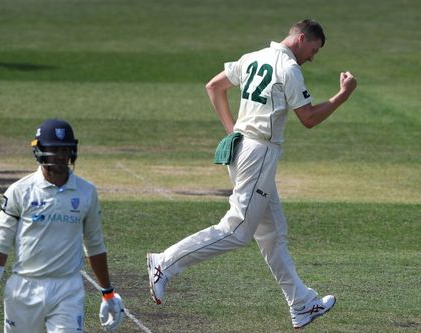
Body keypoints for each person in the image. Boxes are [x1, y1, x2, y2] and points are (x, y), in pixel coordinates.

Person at [147, 19, 357, 329]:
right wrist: (343, 95)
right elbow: (309, 119)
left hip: (246, 149)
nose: (312, 57)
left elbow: (213, 86)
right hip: (258, 154)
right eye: (313, 50)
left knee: (273, 235)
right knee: (237, 230)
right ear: (301, 39)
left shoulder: (253, 57)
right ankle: (164, 263)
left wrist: (234, 131)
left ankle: (301, 304)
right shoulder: (288, 68)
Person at [0, 119, 125, 332]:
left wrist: (108, 292)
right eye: (54, 150)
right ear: (40, 151)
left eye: (65, 149)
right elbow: (1, 244)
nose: (61, 156)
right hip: (24, 289)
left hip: (67, 289)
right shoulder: (19, 191)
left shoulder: (86, 192)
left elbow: (95, 244)